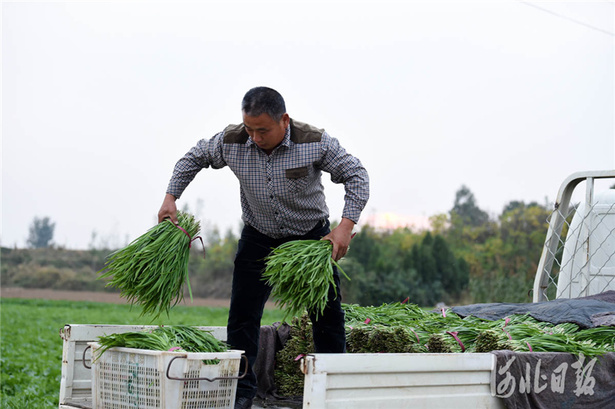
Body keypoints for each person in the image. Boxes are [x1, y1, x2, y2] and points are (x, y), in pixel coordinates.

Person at [157, 86, 369, 409]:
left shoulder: (312, 141)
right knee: (242, 314)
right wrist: (171, 196)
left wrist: (345, 227)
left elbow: (357, 175)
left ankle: (331, 388)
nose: (255, 137)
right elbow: (195, 157)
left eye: (263, 130)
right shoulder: (232, 141)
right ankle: (241, 393)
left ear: (284, 120)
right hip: (259, 235)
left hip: (309, 238)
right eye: (250, 129)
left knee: (327, 314)